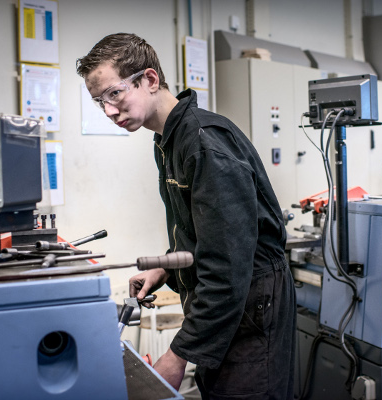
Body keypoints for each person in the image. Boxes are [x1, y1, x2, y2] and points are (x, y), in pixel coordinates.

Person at [76, 33, 296, 399]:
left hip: (251, 305)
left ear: (149, 79)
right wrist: (164, 267)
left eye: (114, 94)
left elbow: (226, 266)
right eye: (100, 102)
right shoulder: (169, 140)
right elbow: (200, 232)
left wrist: (178, 356)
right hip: (228, 310)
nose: (109, 111)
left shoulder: (204, 143)